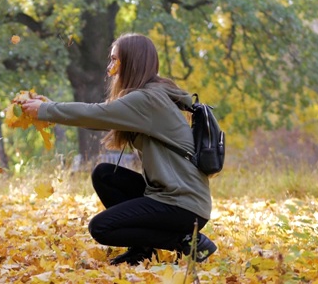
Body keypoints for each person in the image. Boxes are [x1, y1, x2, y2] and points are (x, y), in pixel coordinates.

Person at [22, 33, 217, 265]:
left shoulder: (147, 100)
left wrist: (46, 110)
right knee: (105, 175)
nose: (110, 67)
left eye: (115, 60)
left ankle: (186, 240)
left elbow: (95, 114)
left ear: (132, 62)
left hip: (182, 204)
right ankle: (142, 250)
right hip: (175, 196)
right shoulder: (151, 94)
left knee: (101, 228)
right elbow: (101, 112)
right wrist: (47, 106)